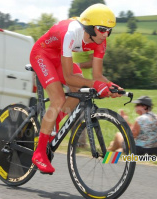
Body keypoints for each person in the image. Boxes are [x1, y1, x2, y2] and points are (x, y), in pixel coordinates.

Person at [30, 4, 123, 174]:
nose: (105, 34)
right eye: (102, 29)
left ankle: (53, 122)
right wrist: (95, 85)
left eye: (109, 30)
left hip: (58, 57)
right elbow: (68, 77)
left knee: (80, 92)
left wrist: (111, 86)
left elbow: (97, 75)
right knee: (58, 98)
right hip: (41, 55)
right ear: (89, 26)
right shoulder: (72, 33)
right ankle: (39, 152)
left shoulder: (100, 41)